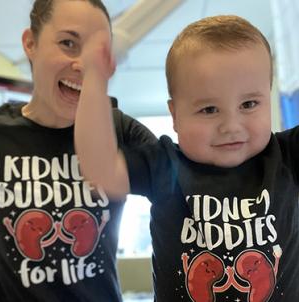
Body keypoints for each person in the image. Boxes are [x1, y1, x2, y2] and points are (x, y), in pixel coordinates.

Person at [75, 14, 299, 301]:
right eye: (208, 109)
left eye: (249, 104)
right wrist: (94, 81)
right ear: (175, 115)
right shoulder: (165, 165)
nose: (231, 125)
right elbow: (99, 170)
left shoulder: (285, 157)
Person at [0, 0, 156, 301]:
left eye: (97, 52)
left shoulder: (118, 130)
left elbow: (189, 185)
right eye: (68, 43)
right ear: (30, 43)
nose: (83, 65)